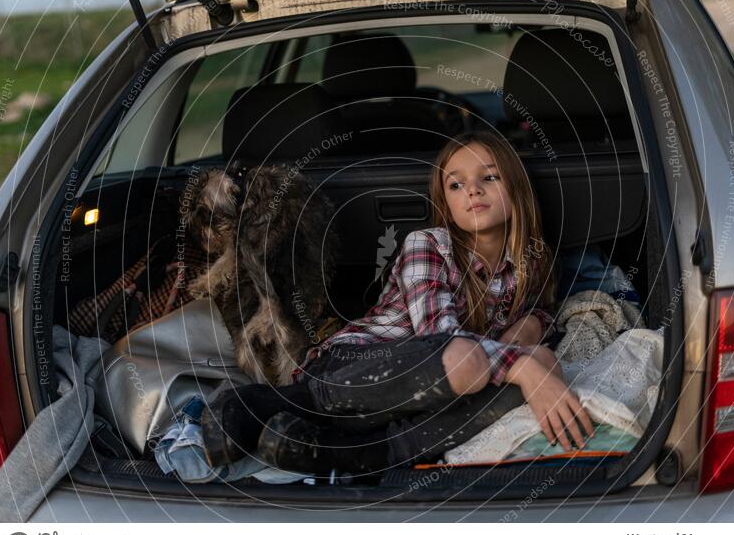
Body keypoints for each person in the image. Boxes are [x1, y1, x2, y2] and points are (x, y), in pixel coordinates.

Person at [200, 130, 594, 476]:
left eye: (488, 177)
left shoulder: (533, 260)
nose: (472, 190)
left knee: (544, 366)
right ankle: (274, 403)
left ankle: (364, 452)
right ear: (445, 201)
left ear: (517, 188)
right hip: (350, 370)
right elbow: (440, 340)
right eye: (455, 185)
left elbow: (544, 313)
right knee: (484, 363)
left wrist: (534, 323)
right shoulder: (427, 245)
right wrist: (521, 365)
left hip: (415, 400)